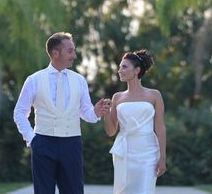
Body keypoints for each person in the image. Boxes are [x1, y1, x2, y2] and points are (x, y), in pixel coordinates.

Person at [13, 32, 111, 194]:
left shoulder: (79, 80)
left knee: (74, 191)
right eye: (70, 51)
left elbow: (86, 112)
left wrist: (96, 111)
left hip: (71, 144)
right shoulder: (34, 80)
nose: (75, 55)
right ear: (55, 53)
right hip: (43, 143)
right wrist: (32, 139)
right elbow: (19, 113)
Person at [103, 49, 167, 194]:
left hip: (148, 152)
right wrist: (106, 113)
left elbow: (160, 128)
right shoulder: (117, 97)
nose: (120, 70)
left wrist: (162, 158)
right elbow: (111, 131)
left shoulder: (154, 95)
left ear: (137, 70)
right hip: (124, 153)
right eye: (119, 67)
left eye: (124, 67)